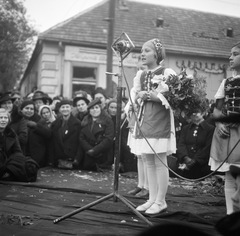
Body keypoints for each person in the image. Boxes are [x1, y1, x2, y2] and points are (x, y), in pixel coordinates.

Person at [128, 38, 176, 214]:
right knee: (148, 159)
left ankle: (161, 200)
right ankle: (151, 199)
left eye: (146, 50)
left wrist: (150, 95)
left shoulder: (167, 72)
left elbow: (174, 98)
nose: (142, 53)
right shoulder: (141, 75)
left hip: (159, 120)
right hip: (144, 120)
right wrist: (132, 104)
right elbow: (135, 96)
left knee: (159, 161)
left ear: (156, 54)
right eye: (142, 50)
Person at [209, 41, 240, 215]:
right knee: (229, 174)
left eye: (235, 54)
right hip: (227, 133)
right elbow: (217, 109)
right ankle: (230, 214)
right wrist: (220, 122)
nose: (230, 57)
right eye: (230, 54)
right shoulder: (226, 82)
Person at [174, 106, 215, 179]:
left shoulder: (210, 129)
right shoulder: (185, 128)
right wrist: (185, 157)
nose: (194, 114)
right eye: (192, 113)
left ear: (203, 113)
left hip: (202, 167)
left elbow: (207, 148)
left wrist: (195, 161)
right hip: (185, 165)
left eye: (197, 112)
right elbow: (181, 144)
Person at [0, 108, 39, 182]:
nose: (3, 120)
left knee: (30, 165)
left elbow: (17, 151)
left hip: (9, 161)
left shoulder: (11, 133)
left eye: (5, 118)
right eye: (0, 118)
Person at [79, 98, 114, 171]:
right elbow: (81, 138)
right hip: (88, 155)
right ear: (89, 111)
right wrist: (89, 149)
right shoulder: (85, 121)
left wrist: (95, 150)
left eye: (96, 107)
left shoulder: (108, 121)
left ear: (100, 109)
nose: (94, 110)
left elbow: (108, 139)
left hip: (102, 156)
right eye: (92, 108)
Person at [49, 99, 82, 169]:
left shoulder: (77, 123)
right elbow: (52, 142)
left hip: (71, 159)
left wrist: (77, 159)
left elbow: (80, 143)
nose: (65, 109)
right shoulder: (55, 124)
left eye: (67, 107)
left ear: (71, 109)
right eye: (63, 107)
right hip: (58, 160)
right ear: (60, 109)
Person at [20, 100, 50, 167]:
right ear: (21, 109)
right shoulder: (17, 120)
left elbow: (48, 134)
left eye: (32, 109)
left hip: (37, 156)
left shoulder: (40, 120)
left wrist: (36, 126)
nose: (29, 110)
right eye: (27, 108)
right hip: (21, 154)